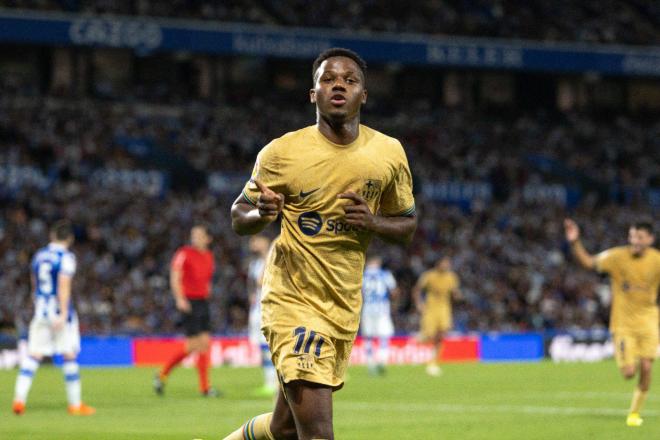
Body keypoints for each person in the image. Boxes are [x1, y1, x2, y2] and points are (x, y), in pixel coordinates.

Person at [223, 47, 416, 440]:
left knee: (284, 428)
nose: (338, 85)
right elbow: (237, 216)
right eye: (328, 79)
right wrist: (261, 213)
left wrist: (373, 221)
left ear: (364, 94)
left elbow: (408, 225)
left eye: (349, 79)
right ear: (313, 94)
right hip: (293, 300)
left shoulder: (388, 153)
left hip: (342, 305)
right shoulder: (282, 153)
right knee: (317, 433)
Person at [564, 219, 660, 427]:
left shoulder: (657, 260)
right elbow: (589, 262)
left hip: (649, 321)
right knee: (628, 373)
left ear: (650, 240)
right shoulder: (617, 257)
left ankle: (634, 413)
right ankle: (628, 360)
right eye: (632, 236)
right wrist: (575, 242)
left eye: (640, 237)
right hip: (623, 324)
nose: (635, 241)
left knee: (646, 366)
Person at [12, 220, 95, 416]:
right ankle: (75, 405)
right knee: (69, 355)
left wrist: (38, 305)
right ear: (70, 239)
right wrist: (64, 313)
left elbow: (34, 285)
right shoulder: (66, 257)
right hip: (59, 312)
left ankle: (19, 400)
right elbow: (63, 285)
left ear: (52, 236)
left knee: (33, 355)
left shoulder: (39, 256)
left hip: (41, 310)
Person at [153, 224, 218, 397]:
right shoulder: (184, 253)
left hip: (203, 301)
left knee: (205, 343)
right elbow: (175, 275)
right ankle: (162, 374)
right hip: (189, 301)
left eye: (198, 235)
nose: (194, 238)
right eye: (193, 234)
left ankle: (205, 387)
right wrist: (179, 298)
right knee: (193, 345)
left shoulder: (209, 256)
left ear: (207, 239)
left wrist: (207, 290)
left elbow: (207, 278)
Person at [412, 256, 461, 377]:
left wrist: (458, 295)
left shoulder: (451, 277)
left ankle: (433, 363)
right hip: (430, 309)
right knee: (430, 335)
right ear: (438, 264)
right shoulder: (429, 276)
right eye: (444, 263)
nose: (447, 266)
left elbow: (455, 293)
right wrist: (419, 304)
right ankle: (419, 339)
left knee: (442, 335)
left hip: (444, 309)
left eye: (448, 264)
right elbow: (416, 290)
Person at [247, 235, 278, 396]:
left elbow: (262, 281)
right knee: (262, 346)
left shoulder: (273, 258)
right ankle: (269, 382)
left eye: (256, 240)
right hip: (257, 308)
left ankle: (273, 383)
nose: (253, 244)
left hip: (269, 308)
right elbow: (254, 285)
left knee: (268, 346)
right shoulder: (255, 262)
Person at [360, 255, 399, 376]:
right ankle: (382, 361)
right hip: (382, 310)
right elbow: (394, 291)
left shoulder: (362, 275)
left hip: (367, 309)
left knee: (368, 337)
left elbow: (357, 293)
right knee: (384, 336)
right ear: (378, 262)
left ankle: (370, 365)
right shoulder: (385, 274)